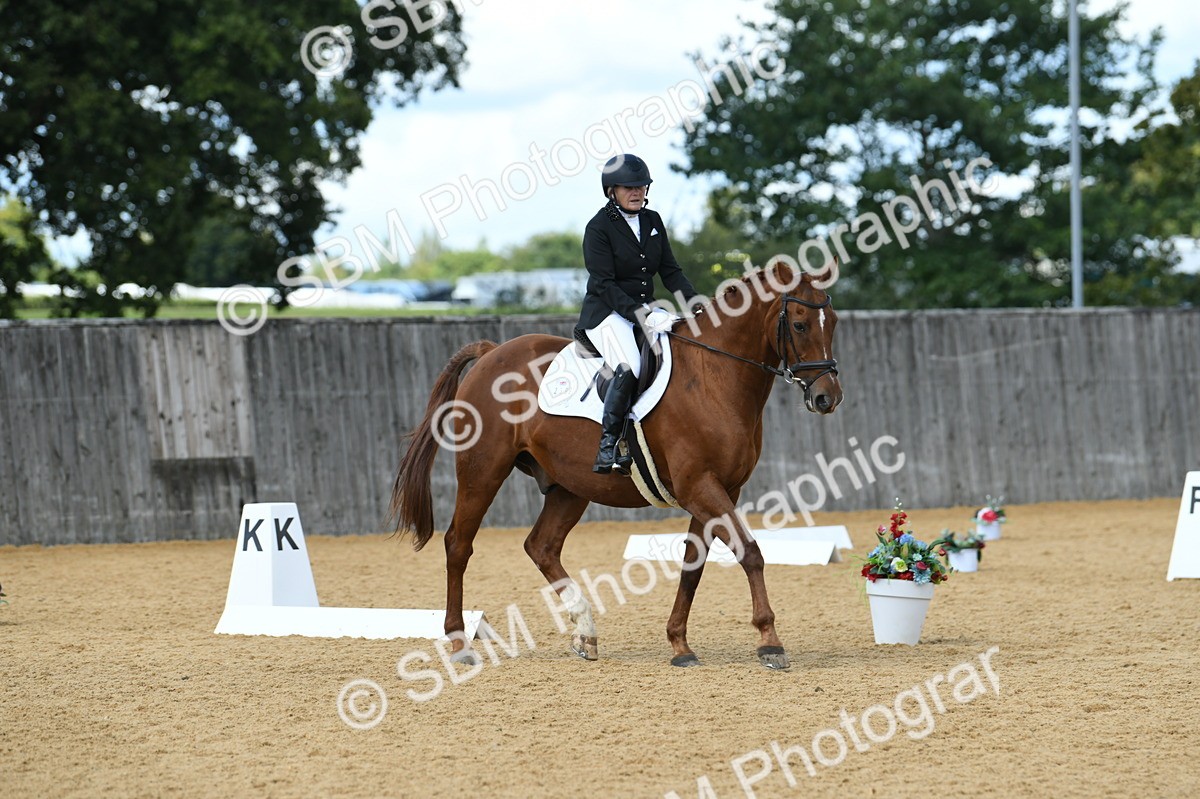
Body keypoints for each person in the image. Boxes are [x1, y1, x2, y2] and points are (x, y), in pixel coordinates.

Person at [576, 153, 701, 475]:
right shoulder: (598, 228)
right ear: (611, 191)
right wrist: (641, 314)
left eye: (642, 187)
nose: (637, 193)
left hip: (646, 310)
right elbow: (603, 284)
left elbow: (670, 271)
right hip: (607, 313)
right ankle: (609, 444)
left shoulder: (653, 220)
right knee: (630, 364)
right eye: (628, 188)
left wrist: (695, 304)